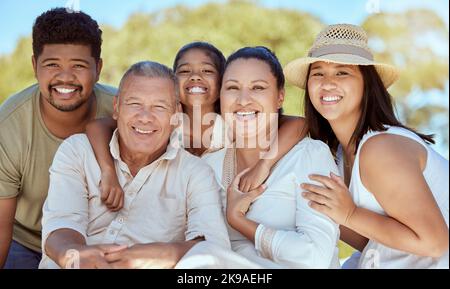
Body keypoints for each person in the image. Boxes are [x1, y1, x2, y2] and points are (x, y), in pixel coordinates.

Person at [284, 23, 449, 268]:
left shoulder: (382, 148)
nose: (327, 83)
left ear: (367, 85)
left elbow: (434, 243)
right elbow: (378, 241)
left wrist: (349, 214)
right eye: (318, 73)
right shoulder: (336, 155)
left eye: (342, 73)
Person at [39, 61, 231, 269]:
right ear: (116, 108)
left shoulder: (196, 173)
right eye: (134, 104)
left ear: (176, 116)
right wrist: (75, 257)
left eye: (159, 106)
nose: (145, 117)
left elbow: (214, 248)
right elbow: (59, 227)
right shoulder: (77, 151)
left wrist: (141, 256)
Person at [85, 41, 307, 210]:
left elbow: (298, 124)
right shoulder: (166, 120)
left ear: (222, 83)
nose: (195, 77)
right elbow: (97, 127)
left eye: (207, 71)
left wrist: (264, 166)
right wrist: (108, 171)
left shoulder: (231, 122)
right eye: (184, 71)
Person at [202, 46, 341, 268]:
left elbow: (315, 257)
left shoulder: (309, 156)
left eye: (258, 87)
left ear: (279, 97)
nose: (243, 99)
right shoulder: (207, 167)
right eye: (232, 87)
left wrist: (238, 221)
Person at [0, 8, 117, 269]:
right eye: (52, 64)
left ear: (98, 68)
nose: (65, 77)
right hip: (25, 240)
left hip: (96, 239)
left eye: (78, 65)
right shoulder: (9, 125)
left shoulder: (122, 110)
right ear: (34, 66)